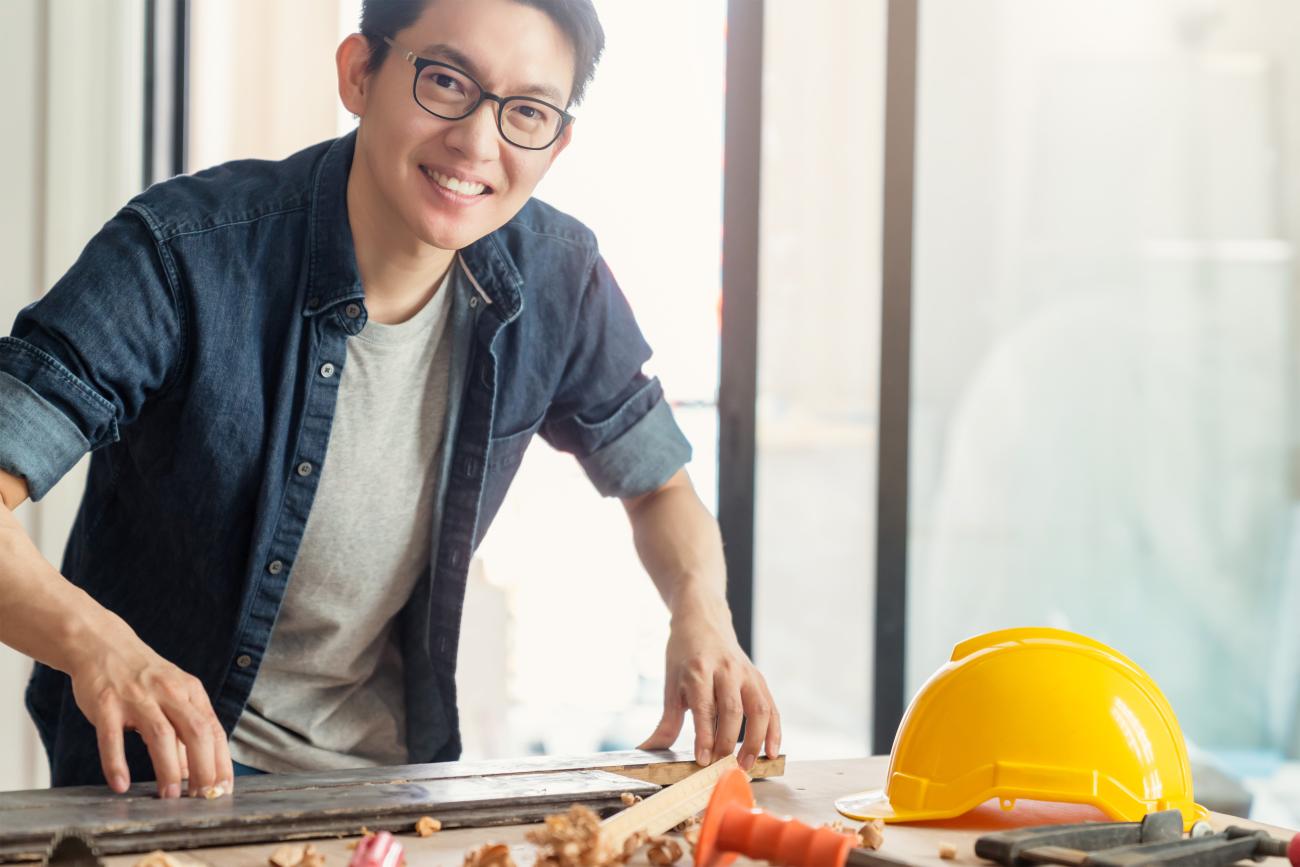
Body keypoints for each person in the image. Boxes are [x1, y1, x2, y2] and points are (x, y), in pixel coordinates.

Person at [0, 0, 780, 797]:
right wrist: (100, 643)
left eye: (528, 112)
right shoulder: (183, 254)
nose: (478, 143)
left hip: (400, 784)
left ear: (557, 142)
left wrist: (702, 611)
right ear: (359, 73)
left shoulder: (558, 274)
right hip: (174, 775)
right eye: (446, 81)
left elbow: (660, 485)